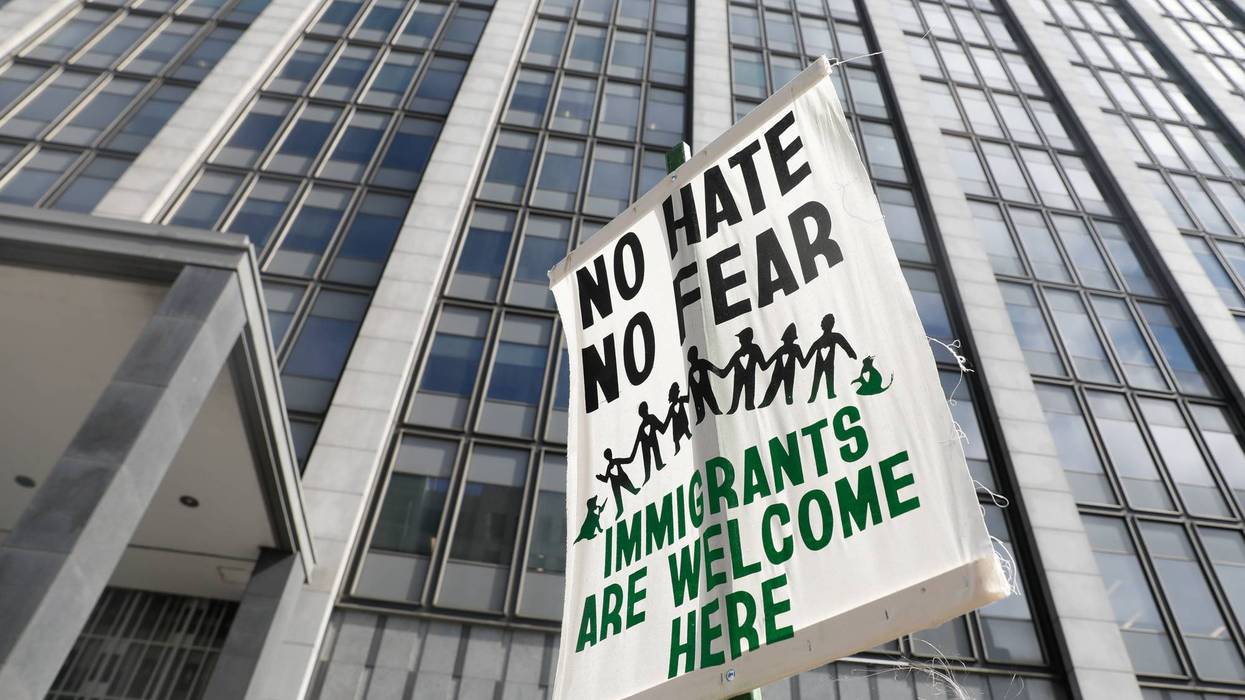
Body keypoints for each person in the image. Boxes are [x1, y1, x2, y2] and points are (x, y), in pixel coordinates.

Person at [715, 327, 769, 413]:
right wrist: (710, 367)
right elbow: (723, 373)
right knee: (734, 407)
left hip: (749, 382)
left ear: (747, 338)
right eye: (740, 338)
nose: (740, 340)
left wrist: (777, 355)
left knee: (749, 406)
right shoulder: (737, 354)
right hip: (738, 383)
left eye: (741, 338)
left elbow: (763, 366)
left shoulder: (755, 349)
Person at [805, 313, 857, 401]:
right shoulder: (818, 342)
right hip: (820, 363)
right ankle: (813, 396)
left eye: (831, 322)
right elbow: (807, 358)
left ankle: (829, 393)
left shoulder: (834, 336)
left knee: (828, 377)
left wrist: (851, 353)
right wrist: (851, 353)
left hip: (828, 363)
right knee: (817, 379)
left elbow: (845, 344)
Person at [760, 323, 806, 408]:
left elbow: (803, 363)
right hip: (777, 374)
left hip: (789, 375)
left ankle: (791, 407)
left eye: (789, 338)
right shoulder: (780, 350)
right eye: (786, 339)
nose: (787, 341)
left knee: (789, 396)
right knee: (771, 390)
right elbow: (766, 365)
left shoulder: (796, 348)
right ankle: (765, 402)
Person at [595, 448, 639, 520]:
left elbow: (629, 460)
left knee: (632, 490)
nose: (609, 456)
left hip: (622, 479)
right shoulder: (609, 467)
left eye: (609, 454)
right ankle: (620, 509)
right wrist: (600, 477)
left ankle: (633, 490)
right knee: (617, 494)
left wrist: (635, 447)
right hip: (615, 483)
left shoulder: (616, 461)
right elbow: (606, 479)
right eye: (608, 455)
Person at [632, 401, 667, 483]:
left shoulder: (651, 419)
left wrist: (670, 413)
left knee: (653, 453)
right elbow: (663, 429)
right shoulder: (642, 427)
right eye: (643, 411)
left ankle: (658, 466)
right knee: (647, 458)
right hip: (646, 451)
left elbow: (663, 429)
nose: (645, 413)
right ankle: (648, 475)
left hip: (656, 455)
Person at [686, 345, 721, 424]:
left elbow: (719, 372)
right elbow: (689, 394)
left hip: (709, 398)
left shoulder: (702, 362)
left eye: (691, 354)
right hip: (699, 411)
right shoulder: (690, 371)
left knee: (716, 411)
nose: (690, 357)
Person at [663, 382, 692, 454]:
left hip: (684, 425)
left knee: (680, 417)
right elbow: (666, 423)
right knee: (676, 419)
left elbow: (689, 397)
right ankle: (677, 444)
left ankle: (686, 435)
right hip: (678, 430)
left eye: (678, 390)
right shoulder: (671, 408)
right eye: (677, 391)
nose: (678, 392)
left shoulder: (681, 400)